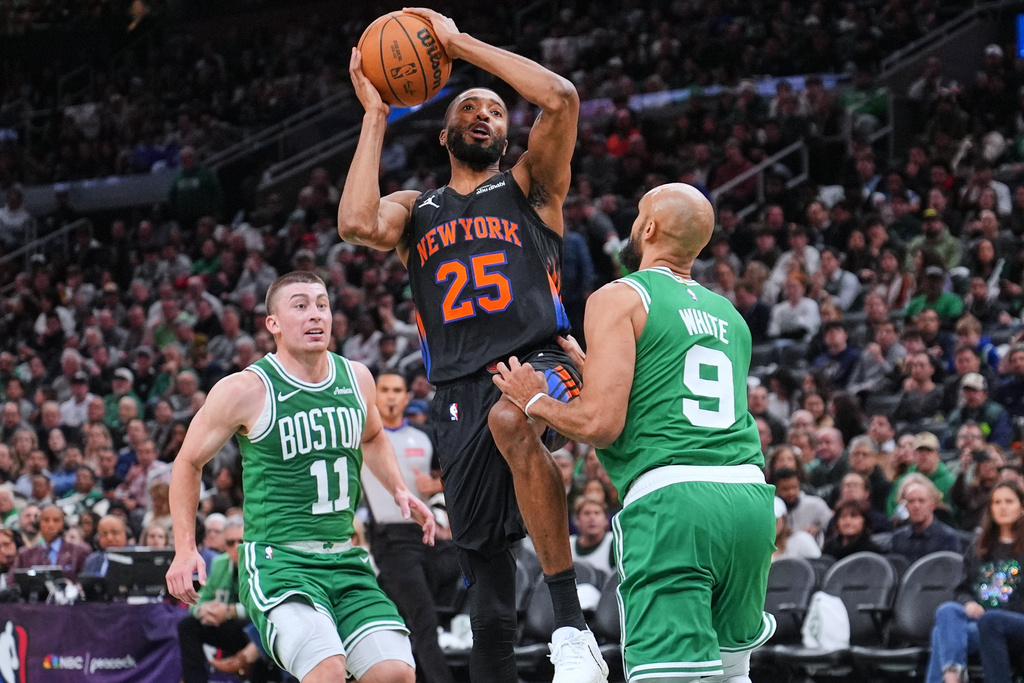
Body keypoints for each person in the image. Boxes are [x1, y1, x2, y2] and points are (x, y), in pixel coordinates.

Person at [338, 9, 604, 682]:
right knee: (486, 590)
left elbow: (562, 97)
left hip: (540, 358)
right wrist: (374, 113)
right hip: (454, 391)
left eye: (496, 109)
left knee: (513, 415)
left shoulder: (530, 188)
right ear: (444, 132)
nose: (487, 113)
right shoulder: (415, 210)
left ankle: (572, 626)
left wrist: (458, 48)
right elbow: (354, 223)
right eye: (471, 107)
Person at [494, 184, 776, 682]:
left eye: (638, 213)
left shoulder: (620, 296)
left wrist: (533, 398)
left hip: (677, 506)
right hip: (751, 503)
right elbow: (676, 404)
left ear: (648, 229)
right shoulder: (730, 315)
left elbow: (601, 426)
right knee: (733, 674)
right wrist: (604, 371)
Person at [166, 272, 436, 683]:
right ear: (272, 323)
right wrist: (185, 548)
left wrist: (399, 488)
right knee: (326, 671)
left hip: (345, 558)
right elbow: (187, 462)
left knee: (395, 673)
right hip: (279, 561)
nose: (316, 315)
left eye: (322, 304)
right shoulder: (247, 388)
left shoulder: (357, 377)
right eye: (300, 305)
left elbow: (374, 435)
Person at [361, 371, 456, 683]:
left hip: (426, 535)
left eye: (397, 390)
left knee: (408, 620)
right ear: (374, 396)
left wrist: (438, 486)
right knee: (423, 620)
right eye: (384, 389)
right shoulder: (361, 437)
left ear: (406, 397)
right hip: (390, 537)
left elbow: (453, 477)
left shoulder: (425, 434)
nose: (390, 396)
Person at [925, 483, 1024, 683]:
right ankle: (954, 675)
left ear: (1021, 507)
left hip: (1012, 624)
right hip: (979, 623)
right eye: (997, 502)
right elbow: (962, 590)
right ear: (990, 509)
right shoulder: (979, 547)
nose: (1002, 507)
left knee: (940, 634)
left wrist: (992, 613)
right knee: (947, 611)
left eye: (1009, 502)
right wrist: (968, 604)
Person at [177, 516, 270, 683]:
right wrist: (203, 610)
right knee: (188, 625)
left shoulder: (263, 564)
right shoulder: (219, 563)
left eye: (241, 541)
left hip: (255, 624)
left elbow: (267, 605)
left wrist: (229, 611)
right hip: (229, 625)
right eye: (230, 543)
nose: (236, 547)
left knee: (265, 623)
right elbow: (199, 599)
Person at [6, 504, 90, 582]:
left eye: (56, 520)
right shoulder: (25, 554)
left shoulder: (79, 551)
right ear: (38, 524)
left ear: (63, 525)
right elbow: (11, 582)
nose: (51, 525)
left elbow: (86, 583)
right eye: (46, 520)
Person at [889, 474, 960, 565]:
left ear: (933, 504)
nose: (916, 506)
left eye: (921, 501)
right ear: (905, 506)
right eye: (911, 501)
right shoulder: (898, 538)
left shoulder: (947, 538)